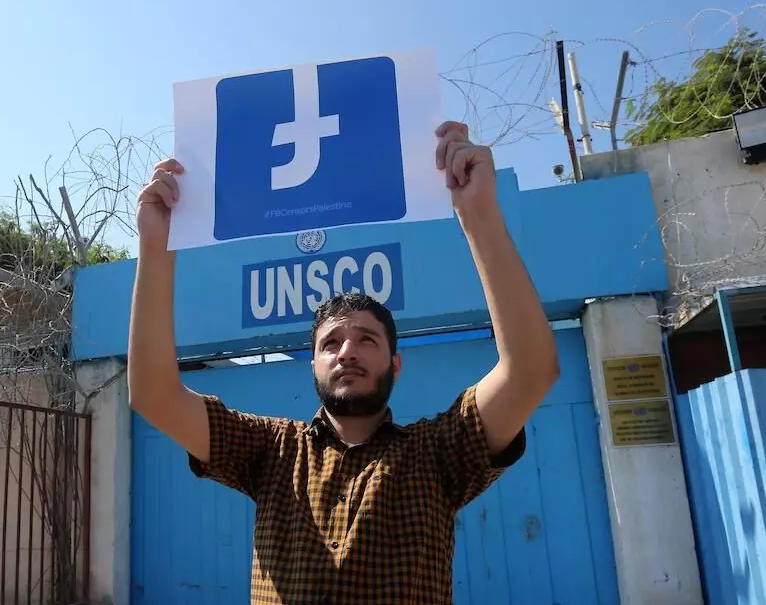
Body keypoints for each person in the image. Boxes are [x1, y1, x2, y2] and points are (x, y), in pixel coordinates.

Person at [128, 120, 560, 604]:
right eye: (331, 343)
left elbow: (530, 370)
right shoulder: (272, 451)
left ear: (396, 364)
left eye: (366, 340)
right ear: (311, 365)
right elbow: (153, 395)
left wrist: (479, 214)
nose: (348, 351)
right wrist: (156, 247)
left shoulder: (438, 452)